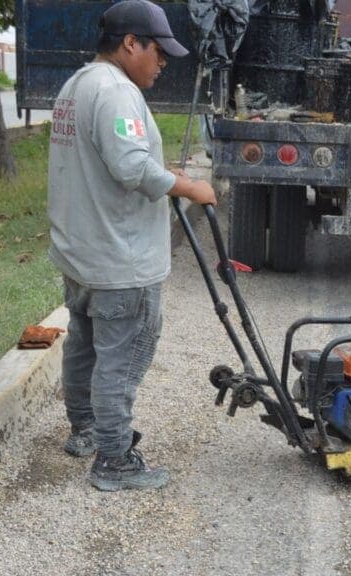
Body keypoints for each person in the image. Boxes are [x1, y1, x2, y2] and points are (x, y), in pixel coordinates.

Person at [48, 0, 216, 491]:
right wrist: (190, 188)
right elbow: (131, 168)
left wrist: (170, 175)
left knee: (84, 347)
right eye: (158, 52)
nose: (163, 63)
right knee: (122, 358)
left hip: (82, 253)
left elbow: (108, 162)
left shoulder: (76, 85)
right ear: (130, 44)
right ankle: (114, 459)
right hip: (120, 259)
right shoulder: (116, 92)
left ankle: (84, 430)